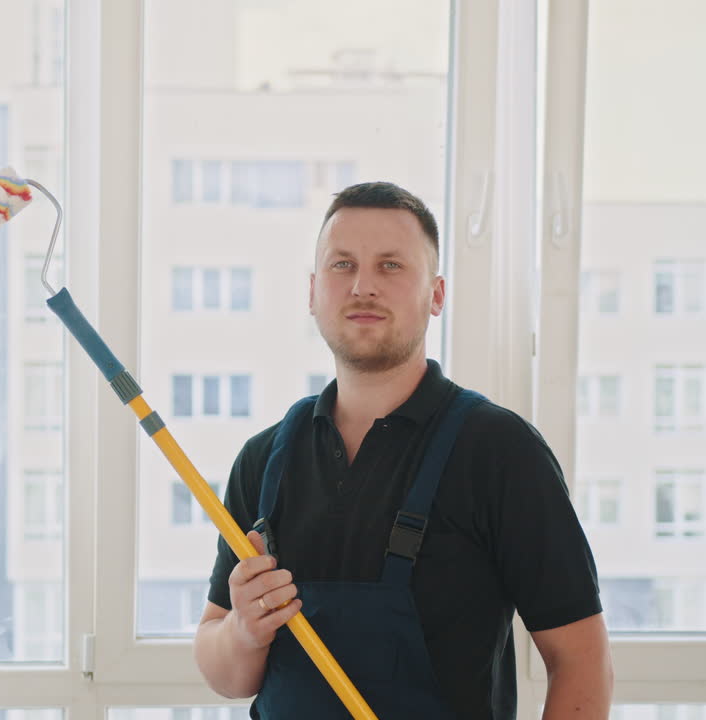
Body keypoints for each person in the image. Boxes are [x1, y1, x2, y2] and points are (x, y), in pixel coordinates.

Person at [192, 182, 613, 719]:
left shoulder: (500, 453)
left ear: (436, 295)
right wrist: (242, 631)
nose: (363, 285)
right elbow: (225, 674)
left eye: (391, 266)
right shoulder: (264, 458)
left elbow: (582, 661)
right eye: (343, 265)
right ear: (313, 291)